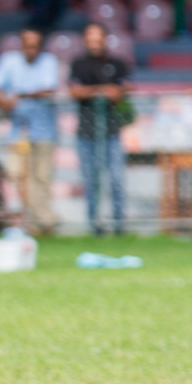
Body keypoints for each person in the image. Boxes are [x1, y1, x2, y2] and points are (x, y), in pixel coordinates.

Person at [0, 28, 61, 234]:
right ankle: (37, 217)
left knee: (42, 175)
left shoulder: (49, 61)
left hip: (44, 129)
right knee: (15, 172)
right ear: (21, 45)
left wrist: (18, 96)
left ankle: (39, 220)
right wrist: (2, 100)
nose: (31, 50)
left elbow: (48, 89)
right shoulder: (9, 61)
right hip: (17, 130)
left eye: (35, 45)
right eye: (28, 45)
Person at [68, 22, 132, 236]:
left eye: (98, 38)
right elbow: (75, 91)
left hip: (112, 131)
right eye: (90, 38)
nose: (94, 43)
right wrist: (103, 90)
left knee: (116, 179)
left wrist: (110, 92)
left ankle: (118, 224)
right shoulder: (78, 64)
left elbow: (124, 90)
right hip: (86, 133)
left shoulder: (117, 63)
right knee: (91, 181)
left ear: (105, 39)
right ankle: (94, 224)